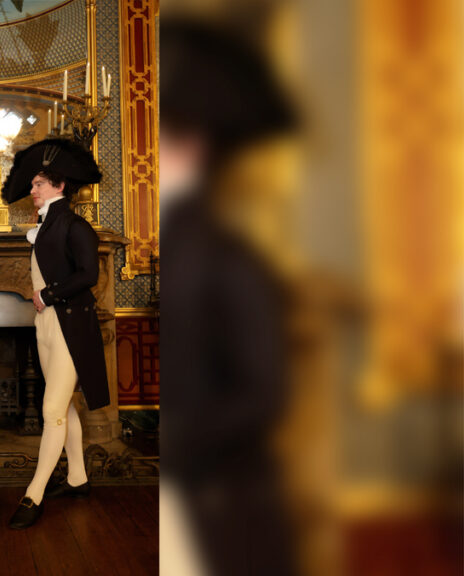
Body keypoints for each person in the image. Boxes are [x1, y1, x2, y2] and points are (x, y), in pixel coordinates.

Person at [158, 17, 298, 576]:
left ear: (193, 146)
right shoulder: (174, 243)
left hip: (217, 505)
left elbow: (264, 393)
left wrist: (178, 442)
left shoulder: (231, 259)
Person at [0, 139, 110, 529]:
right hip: (46, 325)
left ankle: (34, 495)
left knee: (50, 411)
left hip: (68, 325)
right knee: (62, 406)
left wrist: (48, 293)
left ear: (59, 186)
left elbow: (89, 276)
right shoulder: (47, 224)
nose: (32, 191)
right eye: (32, 185)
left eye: (39, 184)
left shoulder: (76, 226)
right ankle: (77, 478)